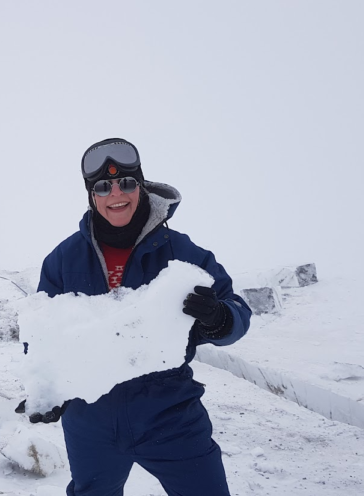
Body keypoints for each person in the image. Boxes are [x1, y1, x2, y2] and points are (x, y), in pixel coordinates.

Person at [33, 138, 252, 496]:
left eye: (127, 183)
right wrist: (47, 388)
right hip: (90, 421)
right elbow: (43, 336)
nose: (115, 193)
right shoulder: (62, 260)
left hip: (170, 414)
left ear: (141, 186)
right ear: (91, 195)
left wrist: (218, 318)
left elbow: (237, 309)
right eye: (102, 186)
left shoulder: (180, 252)